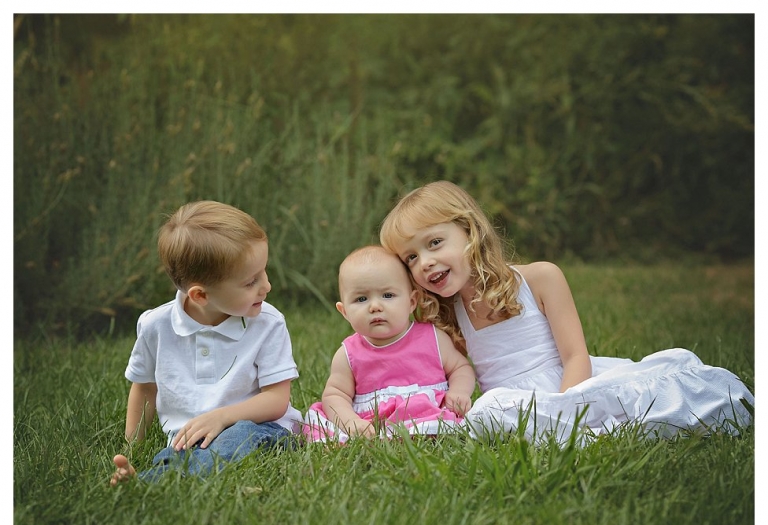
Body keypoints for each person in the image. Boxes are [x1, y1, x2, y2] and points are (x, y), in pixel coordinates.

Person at [380, 180, 754, 443]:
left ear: (468, 230)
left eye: (434, 243)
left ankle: (574, 427)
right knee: (492, 411)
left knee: (648, 398)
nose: (425, 262)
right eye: (411, 257)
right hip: (514, 403)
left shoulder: (540, 278)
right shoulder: (447, 316)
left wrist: (566, 410)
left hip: (573, 385)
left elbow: (576, 356)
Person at [110, 200, 302, 484]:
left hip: (261, 427)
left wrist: (223, 417)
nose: (267, 286)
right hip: (190, 439)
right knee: (184, 450)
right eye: (251, 282)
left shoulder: (268, 322)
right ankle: (162, 469)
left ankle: (153, 482)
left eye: (264, 271)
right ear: (200, 295)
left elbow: (277, 400)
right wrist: (132, 446)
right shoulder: (156, 326)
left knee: (237, 437)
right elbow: (145, 389)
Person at [303, 245, 476, 442]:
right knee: (319, 420)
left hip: (427, 411)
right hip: (373, 424)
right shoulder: (348, 354)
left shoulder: (433, 338)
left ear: (411, 302)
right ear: (344, 312)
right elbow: (335, 395)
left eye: (388, 295)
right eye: (361, 299)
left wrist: (459, 392)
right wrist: (351, 421)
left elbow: (460, 367)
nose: (375, 306)